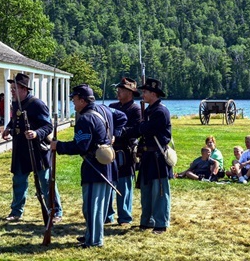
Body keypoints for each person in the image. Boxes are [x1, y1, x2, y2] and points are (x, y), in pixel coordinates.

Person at [50, 84, 121, 248]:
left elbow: (80, 146)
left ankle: (94, 241)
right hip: (106, 165)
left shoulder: (86, 119)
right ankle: (92, 235)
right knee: (98, 206)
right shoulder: (103, 111)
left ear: (82, 100)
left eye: (75, 100)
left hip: (95, 167)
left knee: (92, 207)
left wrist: (58, 146)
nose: (73, 104)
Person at [1, 73, 63, 223]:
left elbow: (48, 126)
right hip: (21, 149)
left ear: (24, 89)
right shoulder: (16, 102)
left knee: (46, 182)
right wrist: (9, 128)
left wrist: (36, 133)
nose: (12, 91)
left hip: (37, 150)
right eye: (11, 88)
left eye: (14, 88)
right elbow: (16, 119)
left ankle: (55, 212)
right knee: (19, 181)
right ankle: (16, 212)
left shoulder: (37, 104)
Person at [125, 78, 172, 234]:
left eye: (145, 92)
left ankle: (161, 223)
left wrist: (134, 129)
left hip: (157, 156)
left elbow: (146, 129)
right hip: (147, 155)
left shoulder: (160, 111)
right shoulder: (150, 110)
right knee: (146, 190)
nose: (142, 94)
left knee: (159, 191)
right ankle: (147, 220)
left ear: (153, 93)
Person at [105, 77, 142, 226]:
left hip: (126, 152)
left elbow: (136, 130)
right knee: (108, 182)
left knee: (124, 185)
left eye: (122, 89)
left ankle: (125, 217)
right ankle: (107, 215)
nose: (118, 91)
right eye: (119, 89)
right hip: (110, 150)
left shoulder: (136, 109)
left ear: (130, 92)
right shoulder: (112, 106)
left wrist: (117, 133)